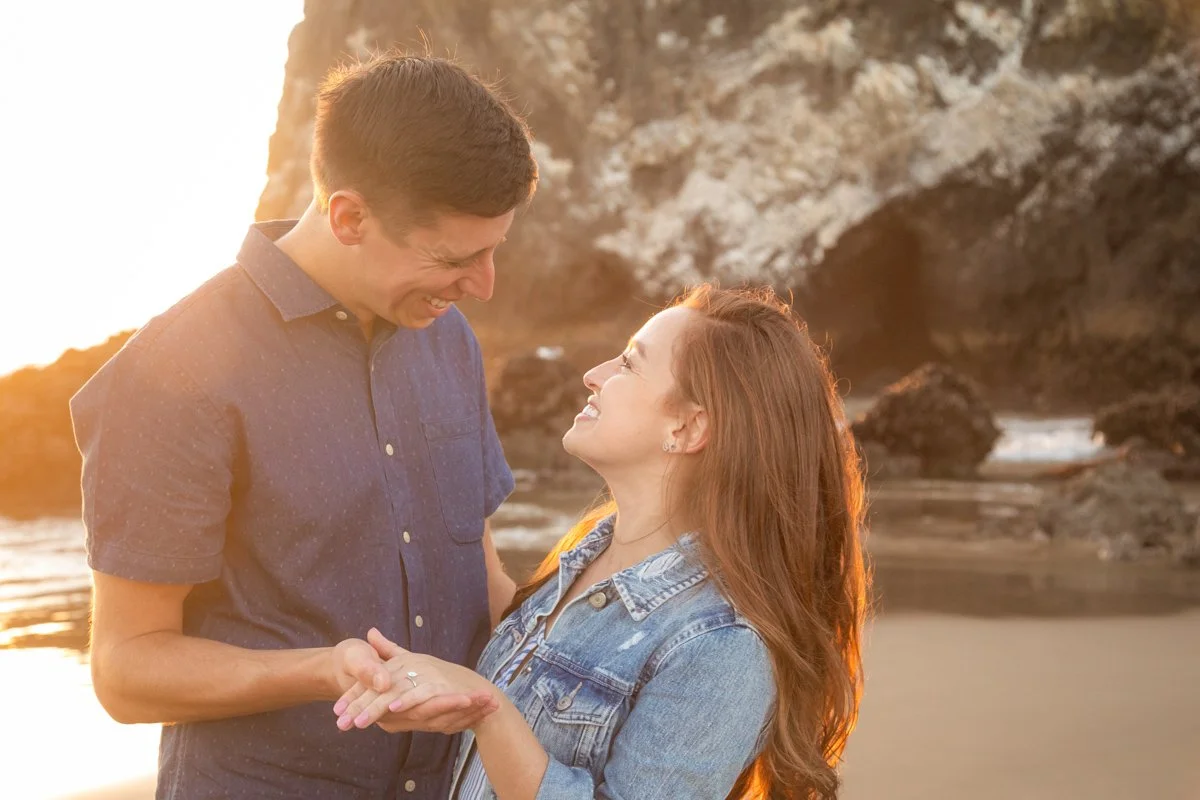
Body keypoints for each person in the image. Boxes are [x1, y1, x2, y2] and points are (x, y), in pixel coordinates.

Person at [69, 52, 537, 798]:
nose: (483, 286)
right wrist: (324, 669)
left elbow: (479, 575)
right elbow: (126, 670)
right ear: (348, 216)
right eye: (456, 258)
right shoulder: (175, 368)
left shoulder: (447, 336)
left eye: (493, 251)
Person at [335, 285, 870, 799]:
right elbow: (532, 648)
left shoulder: (723, 645)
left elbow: (504, 711)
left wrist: (488, 713)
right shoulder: (592, 554)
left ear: (686, 428)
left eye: (630, 364)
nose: (593, 375)